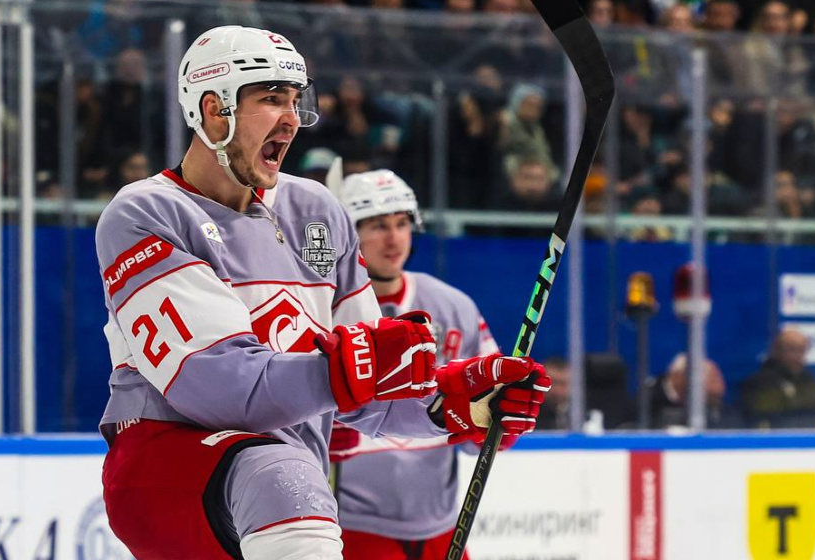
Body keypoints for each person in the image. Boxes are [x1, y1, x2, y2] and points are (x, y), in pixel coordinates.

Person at [94, 26, 549, 560]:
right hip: (165, 468)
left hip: (285, 481)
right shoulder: (147, 213)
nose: (292, 118)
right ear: (215, 110)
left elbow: (371, 391)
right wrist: (342, 375)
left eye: (295, 100)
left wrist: (452, 403)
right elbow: (216, 386)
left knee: (290, 477)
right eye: (271, 99)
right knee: (283, 477)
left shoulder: (317, 210)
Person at [326, 170, 538, 560]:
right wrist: (320, 434)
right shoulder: (326, 307)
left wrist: (499, 420)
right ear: (349, 234)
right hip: (352, 528)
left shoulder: (452, 306)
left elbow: (487, 410)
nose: (394, 239)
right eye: (378, 226)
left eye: (402, 223)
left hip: (442, 528)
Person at [740, 328, 815, 429]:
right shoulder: (759, 384)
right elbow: (770, 422)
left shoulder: (809, 382)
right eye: (792, 349)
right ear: (776, 351)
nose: (797, 356)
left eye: (801, 350)